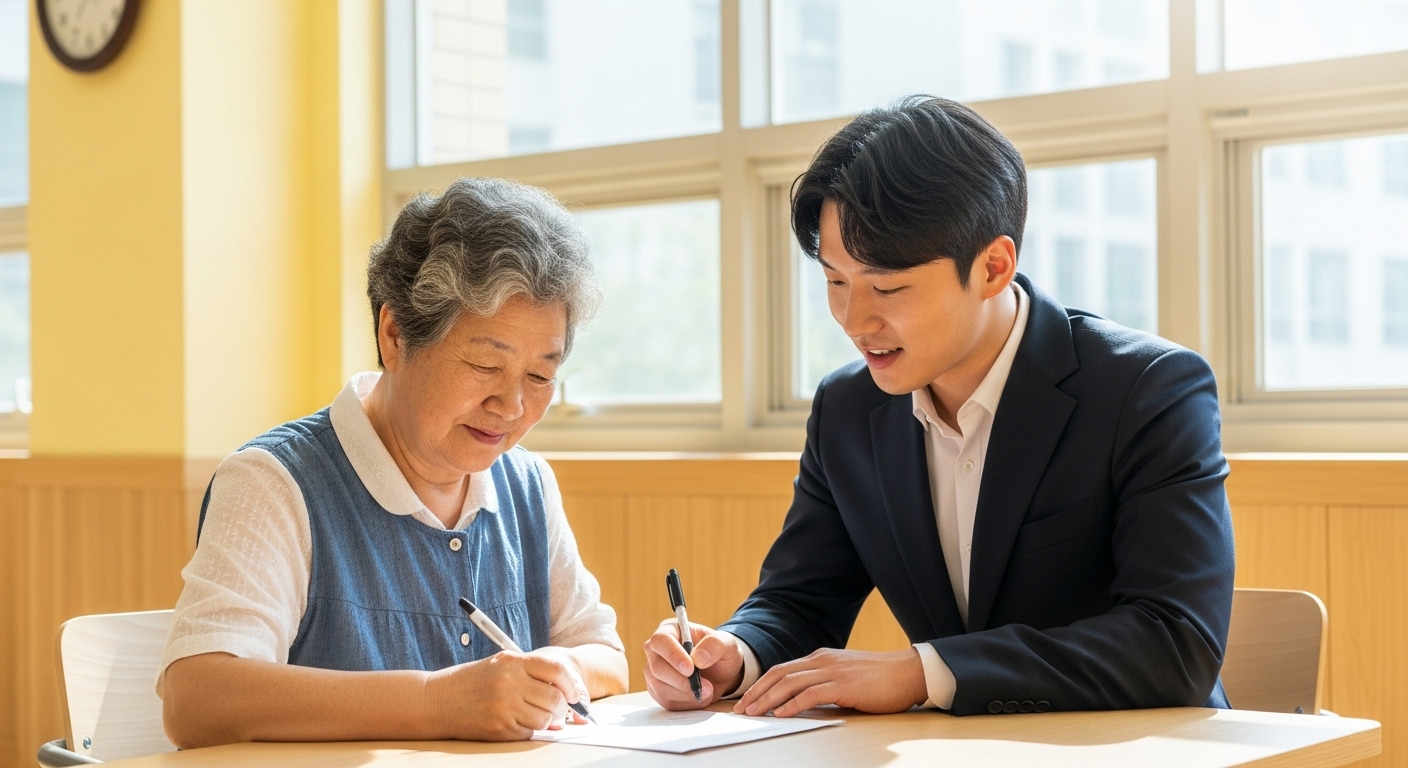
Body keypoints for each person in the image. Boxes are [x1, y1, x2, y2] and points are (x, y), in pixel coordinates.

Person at [644, 96, 1234, 718]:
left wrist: (924, 672)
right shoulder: (847, 409)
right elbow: (801, 600)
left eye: (887, 286)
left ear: (993, 267)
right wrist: (736, 653)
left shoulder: (1148, 390)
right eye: (835, 281)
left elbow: (1176, 642)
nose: (854, 320)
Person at [159, 178, 628, 746]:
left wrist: (557, 672)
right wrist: (438, 702)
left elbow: (604, 655)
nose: (511, 406)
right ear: (395, 335)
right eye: (485, 365)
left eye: (539, 375)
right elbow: (197, 698)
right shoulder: (275, 482)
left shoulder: (526, 484)